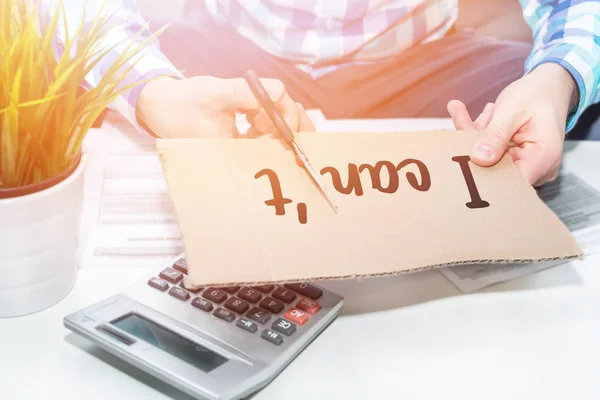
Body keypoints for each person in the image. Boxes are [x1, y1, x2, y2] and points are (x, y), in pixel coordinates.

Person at [54, 0, 599, 187]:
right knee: (58, 99)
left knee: (577, 110)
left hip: (427, 59)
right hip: (222, 52)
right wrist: (152, 93)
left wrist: (558, 80)